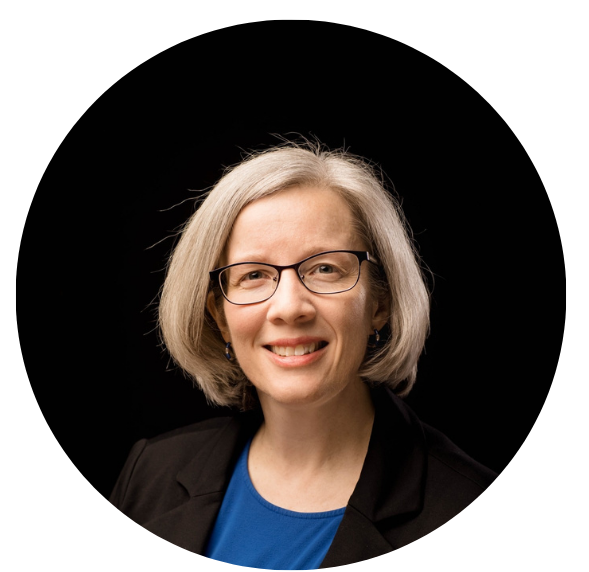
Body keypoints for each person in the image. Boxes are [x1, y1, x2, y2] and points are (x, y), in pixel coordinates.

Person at [110, 141, 496, 569]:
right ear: (219, 316)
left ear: (380, 303)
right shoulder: (151, 474)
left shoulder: (472, 511)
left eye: (325, 269)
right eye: (253, 275)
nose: (290, 307)